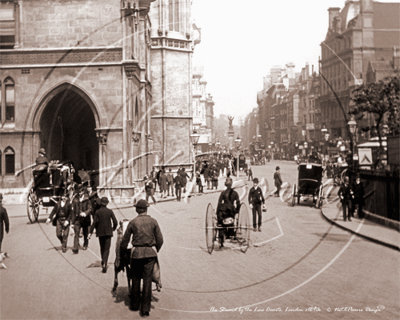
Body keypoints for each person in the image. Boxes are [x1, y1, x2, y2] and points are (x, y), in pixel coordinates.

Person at [120, 199, 163, 317]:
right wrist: (154, 249)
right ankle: (145, 309)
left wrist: (122, 253)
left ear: (136, 210)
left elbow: (124, 241)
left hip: (136, 254)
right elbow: (160, 240)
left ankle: (134, 305)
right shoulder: (153, 221)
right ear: (146, 209)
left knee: (135, 278)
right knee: (148, 281)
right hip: (150, 255)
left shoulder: (132, 222)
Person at [88, 197, 118, 273]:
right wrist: (113, 229)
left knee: (102, 247)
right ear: (107, 203)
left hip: (100, 232)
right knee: (107, 248)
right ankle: (105, 262)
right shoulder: (110, 211)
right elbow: (115, 222)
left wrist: (90, 233)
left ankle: (103, 261)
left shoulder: (97, 212)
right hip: (108, 232)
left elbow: (94, 223)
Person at [216, 178, 241, 247]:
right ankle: (231, 233)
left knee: (221, 222)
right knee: (232, 221)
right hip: (231, 211)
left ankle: (221, 237)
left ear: (226, 185)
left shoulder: (223, 193)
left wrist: (217, 213)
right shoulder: (235, 193)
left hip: (223, 210)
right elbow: (238, 203)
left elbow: (219, 203)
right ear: (231, 184)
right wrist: (237, 211)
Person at [71, 186, 92, 253]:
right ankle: (75, 248)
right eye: (79, 192)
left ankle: (85, 244)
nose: (80, 193)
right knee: (76, 233)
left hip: (85, 219)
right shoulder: (75, 199)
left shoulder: (87, 199)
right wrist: (72, 222)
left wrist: (85, 213)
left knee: (85, 233)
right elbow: (73, 210)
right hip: (77, 219)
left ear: (83, 192)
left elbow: (90, 208)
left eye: (81, 192)